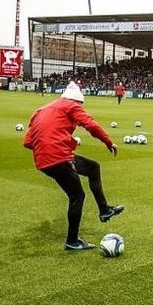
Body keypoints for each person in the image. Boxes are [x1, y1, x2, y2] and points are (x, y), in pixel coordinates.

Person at [23, 81, 124, 251]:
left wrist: (64, 142)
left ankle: (104, 210)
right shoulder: (71, 105)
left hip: (46, 158)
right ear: (77, 101)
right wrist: (108, 142)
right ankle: (72, 240)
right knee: (77, 195)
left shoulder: (41, 110)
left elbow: (27, 142)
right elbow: (90, 125)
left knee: (93, 168)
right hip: (58, 157)